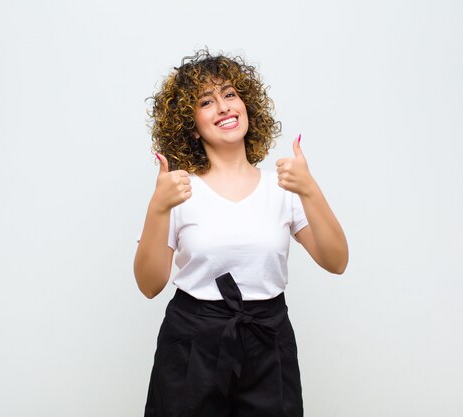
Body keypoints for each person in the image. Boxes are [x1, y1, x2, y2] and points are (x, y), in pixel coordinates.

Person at [134, 49, 348, 417]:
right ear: (190, 122)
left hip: (268, 342)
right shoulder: (177, 189)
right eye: (206, 101)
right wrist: (158, 208)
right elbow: (150, 285)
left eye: (230, 94)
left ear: (247, 103)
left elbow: (336, 261)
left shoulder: (283, 186)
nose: (223, 107)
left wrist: (310, 189)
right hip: (191, 346)